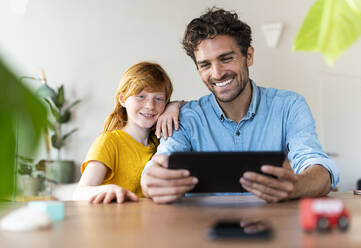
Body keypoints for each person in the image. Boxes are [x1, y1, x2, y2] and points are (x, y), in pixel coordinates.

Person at [140, 8, 340, 204]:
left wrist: (296, 186)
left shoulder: (289, 106)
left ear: (249, 56)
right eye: (205, 65)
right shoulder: (185, 118)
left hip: (272, 227)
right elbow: (158, 165)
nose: (217, 73)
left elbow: (320, 168)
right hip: (201, 230)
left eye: (226, 58)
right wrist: (150, 182)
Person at [73, 61, 183, 204]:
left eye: (158, 99)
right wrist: (108, 189)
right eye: (141, 96)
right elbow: (79, 193)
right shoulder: (109, 142)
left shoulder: (162, 141)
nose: (150, 106)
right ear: (123, 99)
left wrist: (175, 105)